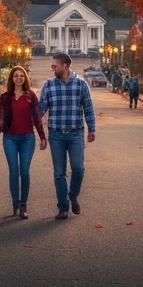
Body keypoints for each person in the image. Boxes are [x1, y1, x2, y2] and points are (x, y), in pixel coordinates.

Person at [39, 52, 96, 220]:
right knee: (59, 172)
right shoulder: (49, 85)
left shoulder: (81, 84)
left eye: (55, 65)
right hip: (56, 134)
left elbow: (88, 108)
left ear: (65, 65)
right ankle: (62, 208)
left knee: (78, 168)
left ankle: (73, 194)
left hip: (75, 134)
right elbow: (40, 108)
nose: (52, 67)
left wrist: (91, 129)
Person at [0, 65, 45, 219]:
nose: (19, 78)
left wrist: (42, 137)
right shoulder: (5, 98)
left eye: (22, 76)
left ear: (25, 78)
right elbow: (1, 119)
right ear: (12, 79)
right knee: (14, 171)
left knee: (24, 171)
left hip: (27, 138)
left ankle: (23, 205)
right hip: (10, 138)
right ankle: (15, 203)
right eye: (16, 76)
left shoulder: (31, 96)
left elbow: (36, 118)